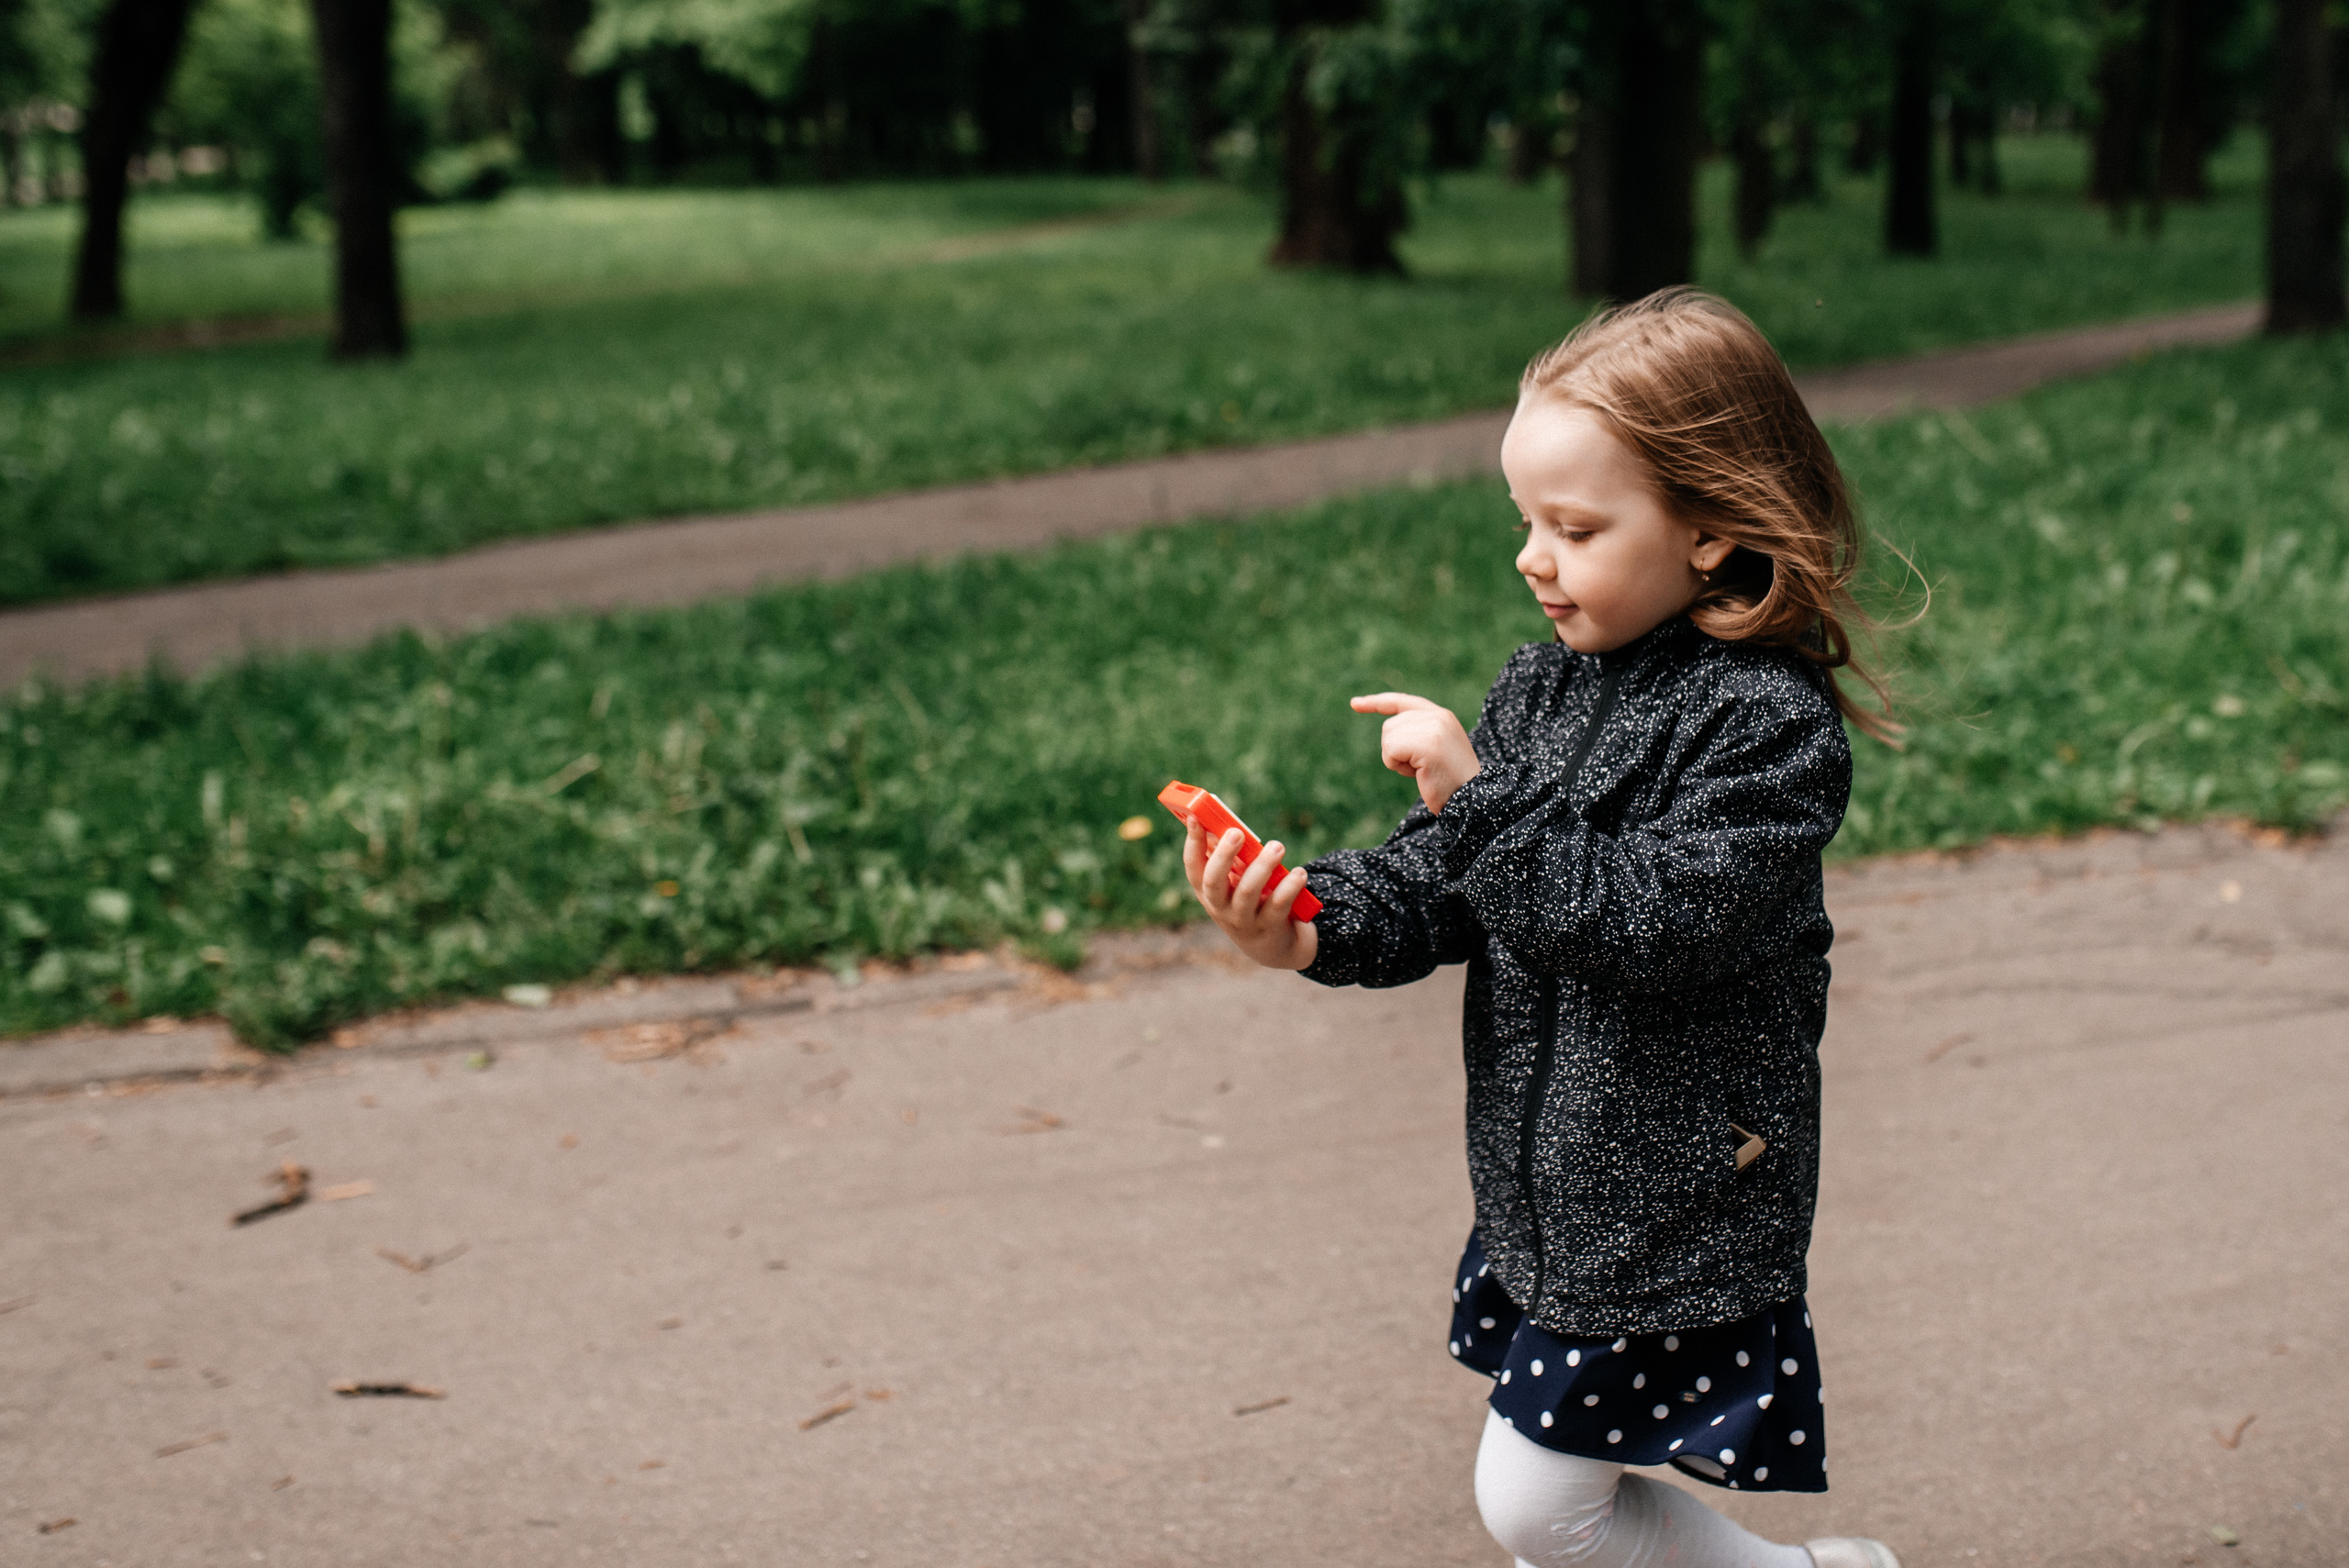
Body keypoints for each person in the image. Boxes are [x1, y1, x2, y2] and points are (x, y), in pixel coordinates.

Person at [1181, 288, 1902, 1568]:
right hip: (1552, 1195)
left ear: (1709, 529)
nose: (1533, 556)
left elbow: (1651, 923)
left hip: (1682, 1195)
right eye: (1526, 520)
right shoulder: (1542, 687)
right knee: (1568, 1495)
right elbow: (1446, 886)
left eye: (1575, 526)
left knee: (1536, 1499)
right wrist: (1304, 922)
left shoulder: (1769, 731)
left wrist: (1476, 794)